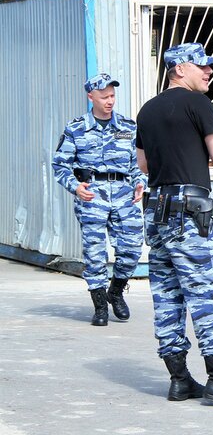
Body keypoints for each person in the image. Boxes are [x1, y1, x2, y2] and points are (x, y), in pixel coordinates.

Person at [135, 42, 213, 407]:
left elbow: (144, 166)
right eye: (202, 66)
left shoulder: (146, 111)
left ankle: (179, 380)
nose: (209, 71)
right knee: (207, 294)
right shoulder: (197, 104)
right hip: (190, 211)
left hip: (156, 211)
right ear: (179, 69)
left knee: (167, 295)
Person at [52, 73, 146, 327]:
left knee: (132, 249)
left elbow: (137, 164)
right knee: (95, 253)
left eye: (113, 96)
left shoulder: (127, 127)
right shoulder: (76, 128)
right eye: (104, 96)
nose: (110, 101)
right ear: (90, 96)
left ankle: (115, 291)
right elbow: (60, 166)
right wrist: (75, 186)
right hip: (92, 195)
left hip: (124, 195)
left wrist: (140, 182)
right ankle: (100, 306)